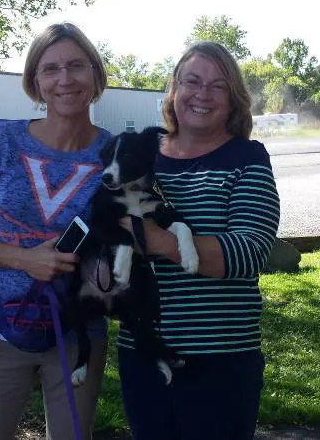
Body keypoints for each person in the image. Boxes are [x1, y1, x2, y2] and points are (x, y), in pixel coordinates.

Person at [0, 23, 111, 440]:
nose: (64, 79)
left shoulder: (117, 155)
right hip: (1, 328)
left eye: (76, 66)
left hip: (78, 335)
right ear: (35, 81)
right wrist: (25, 259)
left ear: (95, 74)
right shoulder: (2, 139)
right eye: (50, 69)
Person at [116, 42, 281, 440]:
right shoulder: (141, 156)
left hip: (221, 358)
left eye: (217, 86)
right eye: (192, 81)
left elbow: (250, 252)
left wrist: (154, 240)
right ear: (173, 89)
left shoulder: (247, 157)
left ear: (234, 100)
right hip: (143, 353)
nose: (202, 94)